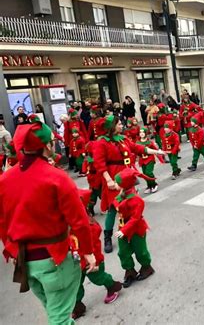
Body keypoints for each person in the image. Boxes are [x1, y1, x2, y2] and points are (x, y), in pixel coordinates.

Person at [0, 120, 96, 324]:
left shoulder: (5, 179)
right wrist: (88, 252)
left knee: (56, 313)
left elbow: (2, 222)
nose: (55, 144)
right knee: (59, 318)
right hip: (54, 259)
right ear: (46, 146)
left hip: (25, 261)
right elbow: (79, 221)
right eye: (52, 141)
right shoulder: (56, 177)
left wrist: (11, 250)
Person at [93, 115, 164, 253]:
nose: (121, 125)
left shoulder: (123, 139)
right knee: (113, 208)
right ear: (111, 127)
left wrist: (157, 151)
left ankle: (130, 231)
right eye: (119, 124)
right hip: (114, 177)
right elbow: (99, 164)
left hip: (126, 176)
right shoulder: (101, 142)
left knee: (131, 204)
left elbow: (138, 148)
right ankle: (107, 237)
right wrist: (109, 180)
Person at [71, 190, 122, 320]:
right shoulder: (69, 224)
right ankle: (77, 305)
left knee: (98, 278)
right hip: (77, 261)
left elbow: (91, 244)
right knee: (76, 284)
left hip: (92, 260)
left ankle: (112, 286)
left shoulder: (89, 224)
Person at [113, 168, 155, 288]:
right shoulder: (121, 195)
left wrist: (123, 230)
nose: (114, 184)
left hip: (136, 229)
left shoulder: (137, 200)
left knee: (140, 251)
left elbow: (135, 219)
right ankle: (129, 271)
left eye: (117, 182)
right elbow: (116, 203)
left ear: (123, 185)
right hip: (122, 227)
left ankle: (147, 267)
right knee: (123, 252)